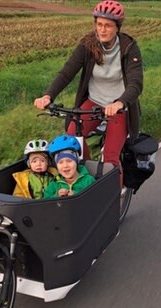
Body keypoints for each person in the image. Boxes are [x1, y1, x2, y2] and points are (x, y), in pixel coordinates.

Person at [34, 0, 143, 183]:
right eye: (99, 24)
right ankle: (89, 168)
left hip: (118, 107)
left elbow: (136, 83)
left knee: (110, 158)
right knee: (71, 139)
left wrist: (119, 103)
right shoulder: (88, 44)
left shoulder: (128, 47)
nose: (102, 30)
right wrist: (48, 95)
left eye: (108, 25)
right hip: (94, 101)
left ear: (117, 28)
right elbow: (67, 72)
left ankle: (114, 202)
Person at [43, 135, 96, 199]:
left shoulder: (88, 180)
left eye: (69, 161)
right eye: (60, 162)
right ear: (56, 165)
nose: (65, 165)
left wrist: (77, 195)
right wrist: (57, 196)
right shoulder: (54, 184)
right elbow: (45, 202)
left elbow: (95, 199)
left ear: (77, 161)